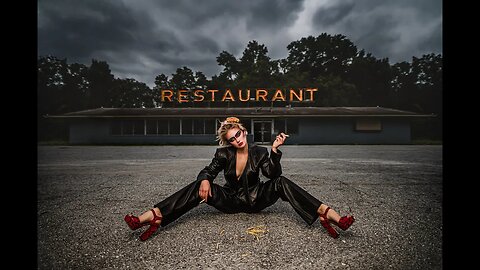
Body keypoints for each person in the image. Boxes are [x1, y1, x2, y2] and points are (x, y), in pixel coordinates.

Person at [124, 116, 354, 241]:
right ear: (229, 142)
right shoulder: (223, 154)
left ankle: (328, 214)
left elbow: (273, 175)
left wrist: (274, 150)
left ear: (244, 131)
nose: (237, 140)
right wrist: (205, 179)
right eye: (232, 139)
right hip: (231, 200)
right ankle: (153, 216)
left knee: (282, 183)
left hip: (256, 199)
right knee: (198, 186)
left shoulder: (260, 152)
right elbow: (209, 170)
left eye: (238, 134)